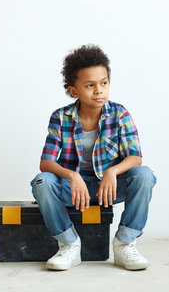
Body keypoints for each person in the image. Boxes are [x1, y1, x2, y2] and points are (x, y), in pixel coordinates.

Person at [31, 44, 156, 271]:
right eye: (90, 85)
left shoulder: (120, 114)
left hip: (109, 186)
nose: (99, 90)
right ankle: (69, 244)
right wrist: (72, 176)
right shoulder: (61, 117)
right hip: (75, 187)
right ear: (74, 91)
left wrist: (113, 171)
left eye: (104, 83)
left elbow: (135, 157)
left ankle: (125, 243)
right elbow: (46, 162)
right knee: (42, 181)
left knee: (144, 175)